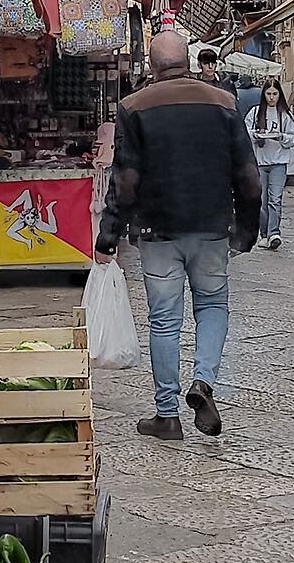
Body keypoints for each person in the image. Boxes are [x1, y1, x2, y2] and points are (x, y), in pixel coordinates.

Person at [95, 30, 260, 441]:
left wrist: (109, 234)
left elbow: (126, 179)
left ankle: (167, 415)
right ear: (187, 61)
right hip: (211, 227)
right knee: (212, 307)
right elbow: (249, 177)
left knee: (164, 321)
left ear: (152, 65)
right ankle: (203, 380)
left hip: (157, 230)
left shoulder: (134, 107)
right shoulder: (224, 102)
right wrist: (247, 230)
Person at [245, 81, 294, 250]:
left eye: (275, 94)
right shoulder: (255, 113)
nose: (272, 97)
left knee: (275, 199)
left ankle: (274, 232)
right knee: (261, 200)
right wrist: (258, 134)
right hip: (260, 162)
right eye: (269, 94)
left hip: (278, 162)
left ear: (279, 95)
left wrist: (281, 137)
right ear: (264, 95)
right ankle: (265, 234)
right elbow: (245, 132)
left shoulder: (284, 115)